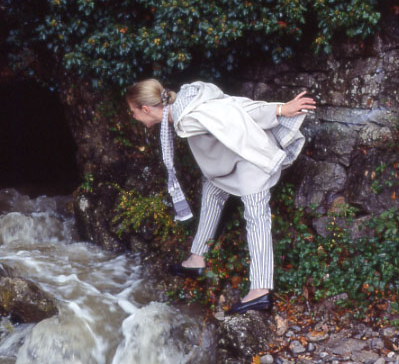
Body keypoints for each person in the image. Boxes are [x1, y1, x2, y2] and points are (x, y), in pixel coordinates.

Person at [125, 78, 316, 313]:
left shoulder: (189, 116)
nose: (132, 117)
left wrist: (280, 109)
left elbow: (236, 111)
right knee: (212, 192)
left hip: (251, 156)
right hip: (231, 157)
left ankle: (260, 290)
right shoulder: (183, 103)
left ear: (146, 109)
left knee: (257, 217)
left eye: (133, 111)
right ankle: (197, 259)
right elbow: (228, 106)